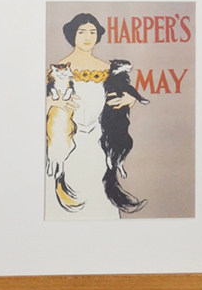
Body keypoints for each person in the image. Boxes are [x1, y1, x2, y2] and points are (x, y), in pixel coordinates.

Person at [45, 12, 138, 220]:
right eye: (82, 32)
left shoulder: (108, 70)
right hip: (66, 140)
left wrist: (130, 99)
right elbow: (39, 102)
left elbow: (121, 94)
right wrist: (54, 102)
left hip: (99, 142)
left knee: (100, 197)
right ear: (72, 35)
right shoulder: (57, 69)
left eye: (92, 32)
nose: (87, 37)